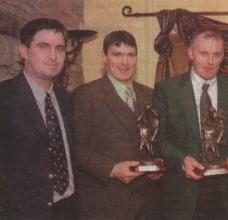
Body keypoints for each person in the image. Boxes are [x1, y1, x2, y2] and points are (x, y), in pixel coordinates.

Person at [154, 28, 228, 220]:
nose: (210, 61)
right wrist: (182, 160)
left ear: (223, 56)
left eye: (216, 54)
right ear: (191, 53)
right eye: (204, 53)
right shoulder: (167, 90)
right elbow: (159, 139)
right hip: (184, 195)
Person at [72, 30, 160, 219]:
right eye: (117, 55)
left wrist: (158, 166)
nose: (125, 62)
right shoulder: (86, 95)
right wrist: (112, 169)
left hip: (146, 203)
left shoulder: (150, 95)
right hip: (105, 203)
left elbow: (155, 140)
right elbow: (75, 148)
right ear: (104, 57)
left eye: (130, 55)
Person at [0, 18, 77, 219]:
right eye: (44, 46)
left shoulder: (67, 99)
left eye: (60, 48)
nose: (53, 56)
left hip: (68, 210)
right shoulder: (4, 97)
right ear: (24, 51)